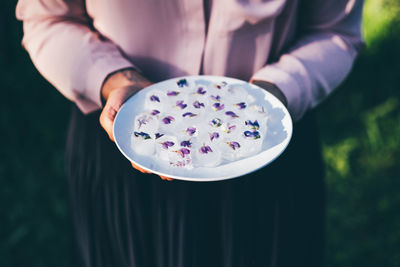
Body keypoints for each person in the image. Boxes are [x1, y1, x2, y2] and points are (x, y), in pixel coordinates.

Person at [16, 0, 364, 266]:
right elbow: (46, 19)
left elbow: (336, 31)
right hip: (125, 152)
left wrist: (278, 88)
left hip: (265, 153)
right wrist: (114, 78)